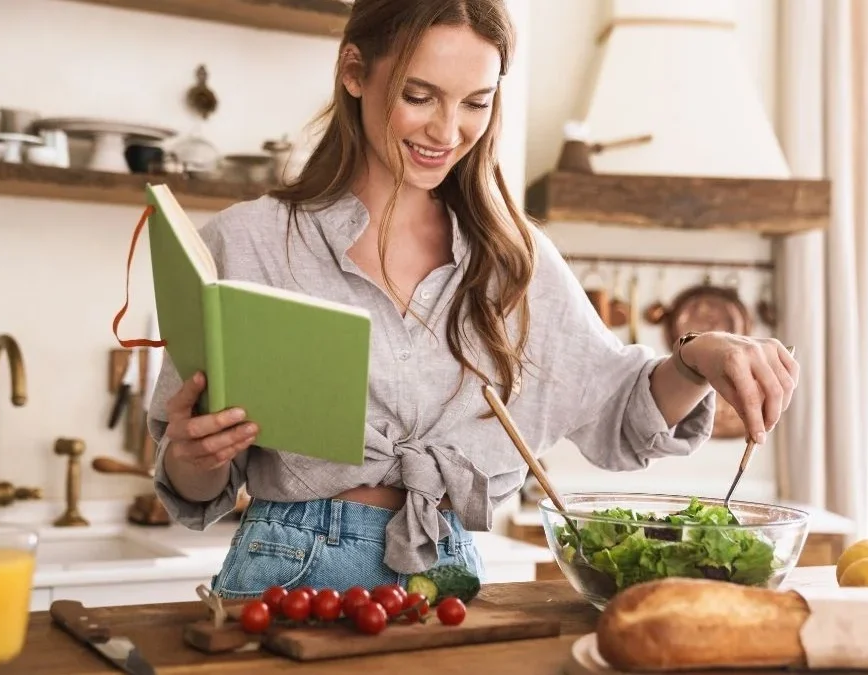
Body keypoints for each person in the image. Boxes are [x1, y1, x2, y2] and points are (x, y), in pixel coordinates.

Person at [146, 0, 799, 599]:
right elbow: (194, 488)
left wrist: (694, 358)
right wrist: (192, 454)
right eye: (420, 95)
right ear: (354, 71)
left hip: (446, 578)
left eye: (476, 103)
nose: (447, 131)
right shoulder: (246, 242)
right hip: (286, 574)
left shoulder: (516, 262)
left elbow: (621, 410)